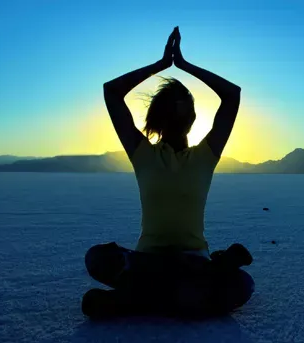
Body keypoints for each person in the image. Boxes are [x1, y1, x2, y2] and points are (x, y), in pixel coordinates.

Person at [82, 27, 254, 318]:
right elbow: (111, 91)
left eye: (183, 110)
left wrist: (184, 65)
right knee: (96, 257)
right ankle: (182, 290)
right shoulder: (144, 154)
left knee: (242, 285)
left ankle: (138, 299)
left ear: (192, 118)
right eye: (174, 109)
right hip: (153, 263)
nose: (179, 117)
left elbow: (232, 95)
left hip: (175, 265)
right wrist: (162, 65)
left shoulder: (204, 156)